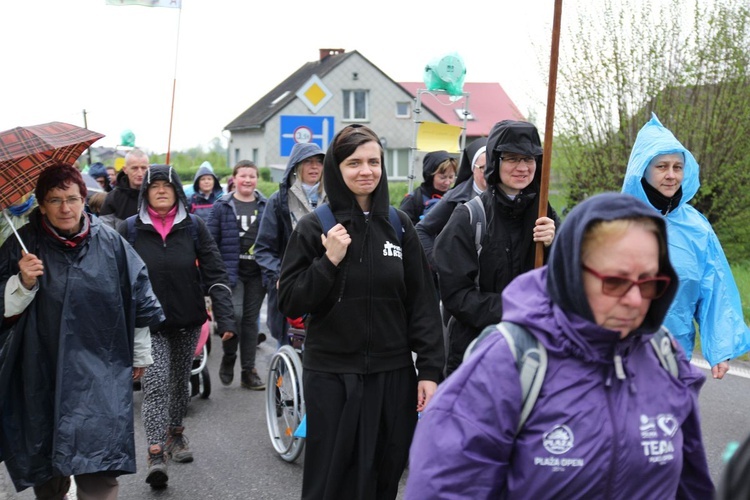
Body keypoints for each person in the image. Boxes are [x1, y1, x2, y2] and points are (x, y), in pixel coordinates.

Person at [406, 192, 715, 498]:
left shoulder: (665, 358)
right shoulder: (510, 361)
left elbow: (691, 487)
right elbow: (444, 488)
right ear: (573, 273)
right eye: (615, 282)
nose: (635, 300)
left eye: (648, 282)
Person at [278, 124, 444, 499]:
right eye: (354, 163)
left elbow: (422, 304)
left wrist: (430, 370)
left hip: (393, 374)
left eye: (373, 161)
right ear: (337, 169)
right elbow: (290, 300)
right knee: (331, 481)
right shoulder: (314, 226)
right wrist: (328, 261)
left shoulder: (400, 227)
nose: (365, 170)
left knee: (383, 475)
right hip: (333, 374)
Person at [0, 162, 164, 498]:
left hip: (100, 369)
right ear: (40, 204)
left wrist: (139, 352)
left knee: (99, 465)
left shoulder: (111, 244)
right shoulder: (22, 246)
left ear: (83, 199)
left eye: (72, 198)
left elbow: (138, 299)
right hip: (40, 369)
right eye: (55, 200)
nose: (65, 208)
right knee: (47, 467)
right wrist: (22, 282)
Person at [117, 164, 236, 489]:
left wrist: (225, 317)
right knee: (156, 385)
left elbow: (215, 272)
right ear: (145, 193)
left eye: (167, 186)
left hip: (187, 320)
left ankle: (175, 433)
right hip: (148, 324)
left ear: (177, 192)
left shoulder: (194, 226)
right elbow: (115, 278)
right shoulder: (130, 229)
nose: (160, 190)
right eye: (153, 186)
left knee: (180, 384)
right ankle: (156, 452)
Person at [622, 113, 750, 379]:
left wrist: (719, 347)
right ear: (642, 169)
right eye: (661, 167)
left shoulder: (697, 228)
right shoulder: (615, 220)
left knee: (667, 419)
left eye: (677, 167)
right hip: (617, 355)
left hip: (673, 356)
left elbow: (714, 287)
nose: (671, 175)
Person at [434, 120, 558, 375]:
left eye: (529, 159)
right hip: (477, 355)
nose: (522, 168)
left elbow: (568, 283)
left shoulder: (546, 216)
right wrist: (516, 308)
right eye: (512, 159)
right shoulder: (468, 217)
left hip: (536, 354)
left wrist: (554, 246)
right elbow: (456, 295)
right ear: (495, 161)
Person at [255, 142, 326, 346]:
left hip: (326, 282)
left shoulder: (334, 200)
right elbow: (263, 249)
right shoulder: (278, 202)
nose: (314, 167)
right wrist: (280, 277)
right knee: (288, 347)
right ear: (296, 167)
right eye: (308, 162)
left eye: (319, 162)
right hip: (291, 285)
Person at [208, 160, 268, 390]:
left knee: (251, 322)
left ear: (256, 179)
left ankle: (248, 371)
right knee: (235, 314)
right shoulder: (222, 205)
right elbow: (210, 241)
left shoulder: (265, 205)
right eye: (243, 176)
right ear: (234, 178)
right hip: (230, 272)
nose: (247, 180)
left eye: (252, 176)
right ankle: (229, 355)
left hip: (257, 274)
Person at [416, 138, 487, 275]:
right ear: (473, 168)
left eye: (494, 166)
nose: (489, 172)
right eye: (483, 168)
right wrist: (439, 265)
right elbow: (421, 230)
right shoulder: (455, 197)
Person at [399, 150, 457, 225]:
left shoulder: (454, 197)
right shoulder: (413, 200)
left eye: (451, 177)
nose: (447, 182)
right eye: (442, 177)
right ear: (430, 176)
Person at [100, 148, 149, 228]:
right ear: (125, 169)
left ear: (149, 168)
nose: (140, 173)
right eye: (134, 168)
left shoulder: (155, 196)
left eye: (143, 168)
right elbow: (106, 233)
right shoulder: (113, 198)